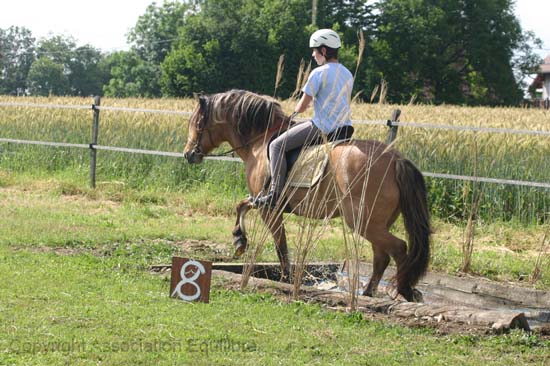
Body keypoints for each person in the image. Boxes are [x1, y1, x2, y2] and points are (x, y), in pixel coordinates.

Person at [255, 28, 354, 208]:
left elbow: (302, 106)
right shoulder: (347, 73)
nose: (313, 54)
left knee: (277, 145)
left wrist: (293, 113)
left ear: (324, 51)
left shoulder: (318, 73)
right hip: (345, 128)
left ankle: (274, 195)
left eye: (315, 50)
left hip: (323, 128)